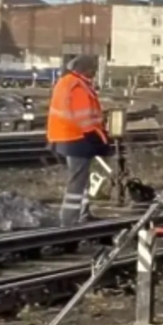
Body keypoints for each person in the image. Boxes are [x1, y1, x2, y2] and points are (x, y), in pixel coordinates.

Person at [46, 54, 110, 226]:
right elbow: (84, 117)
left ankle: (83, 213)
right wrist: (98, 139)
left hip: (65, 137)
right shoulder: (78, 86)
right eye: (93, 69)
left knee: (82, 178)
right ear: (85, 69)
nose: (95, 72)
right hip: (76, 138)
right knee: (77, 181)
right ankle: (69, 220)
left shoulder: (66, 82)